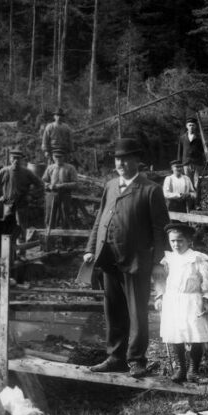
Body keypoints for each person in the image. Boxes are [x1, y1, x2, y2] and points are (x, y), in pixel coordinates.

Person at [83, 137, 170, 378]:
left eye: (126, 159)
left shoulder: (151, 189)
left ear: (137, 161)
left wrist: (157, 263)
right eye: (117, 159)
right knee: (113, 310)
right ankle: (115, 357)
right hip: (109, 259)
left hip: (136, 262)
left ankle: (136, 360)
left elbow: (160, 230)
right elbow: (99, 219)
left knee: (137, 313)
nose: (120, 163)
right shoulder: (110, 185)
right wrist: (91, 248)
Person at [154, 222, 208, 383]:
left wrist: (207, 299)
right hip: (172, 300)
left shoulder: (197, 258)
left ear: (188, 241)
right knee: (176, 334)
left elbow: (207, 280)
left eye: (180, 241)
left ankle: (193, 371)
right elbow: (160, 279)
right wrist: (160, 296)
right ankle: (181, 368)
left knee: (196, 334)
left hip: (192, 299)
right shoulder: (167, 259)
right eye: (173, 241)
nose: (176, 244)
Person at [0, 149, 44, 242]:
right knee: (6, 227)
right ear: (10, 159)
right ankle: (6, 253)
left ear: (22, 160)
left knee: (21, 228)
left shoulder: (27, 172)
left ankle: (21, 253)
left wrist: (31, 196)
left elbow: (40, 185)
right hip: (8, 205)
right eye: (14, 158)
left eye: (18, 158)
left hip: (22, 205)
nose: (16, 161)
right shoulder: (4, 171)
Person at [42, 149, 78, 233]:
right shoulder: (50, 168)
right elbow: (43, 181)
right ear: (53, 157)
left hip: (65, 195)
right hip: (51, 195)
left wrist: (63, 185)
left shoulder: (70, 168)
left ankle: (65, 241)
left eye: (60, 157)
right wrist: (48, 185)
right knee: (49, 217)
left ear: (64, 157)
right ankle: (49, 241)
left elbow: (76, 184)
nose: (58, 159)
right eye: (56, 156)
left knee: (65, 217)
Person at [176, 118, 208, 206]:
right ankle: (188, 204)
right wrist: (179, 164)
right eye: (189, 125)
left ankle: (197, 204)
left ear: (196, 126)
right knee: (187, 183)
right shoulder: (182, 138)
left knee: (197, 184)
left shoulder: (200, 138)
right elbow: (180, 151)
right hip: (186, 164)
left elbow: (203, 151)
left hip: (197, 164)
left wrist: (204, 160)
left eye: (193, 125)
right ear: (186, 126)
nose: (191, 127)